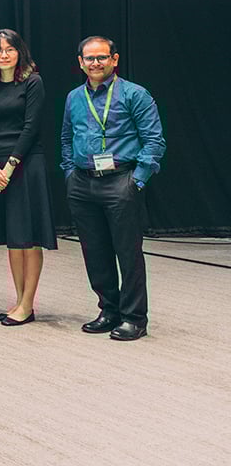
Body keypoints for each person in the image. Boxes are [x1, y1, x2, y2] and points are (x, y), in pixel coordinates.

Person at [61, 36, 165, 341]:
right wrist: (69, 173)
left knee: (128, 253)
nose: (95, 63)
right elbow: (66, 138)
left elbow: (154, 141)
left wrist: (138, 180)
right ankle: (109, 310)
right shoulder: (74, 97)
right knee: (95, 252)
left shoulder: (135, 94)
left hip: (121, 181)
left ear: (114, 59)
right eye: (89, 58)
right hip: (82, 181)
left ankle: (134, 318)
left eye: (101, 57)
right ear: (80, 62)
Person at [0, 29, 56, 326]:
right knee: (14, 237)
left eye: (9, 49)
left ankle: (27, 303)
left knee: (29, 237)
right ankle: (19, 302)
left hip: (25, 165)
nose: (4, 55)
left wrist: (8, 167)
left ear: (20, 52)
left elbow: (31, 128)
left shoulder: (33, 82)